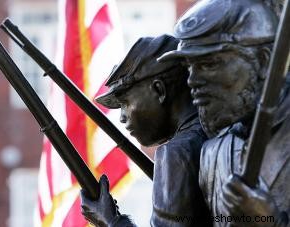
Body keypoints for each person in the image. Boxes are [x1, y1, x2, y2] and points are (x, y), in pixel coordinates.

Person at [159, 0, 289, 226]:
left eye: (208, 64)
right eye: (190, 66)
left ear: (263, 61)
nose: (192, 80)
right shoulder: (213, 154)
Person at [80, 35, 211, 226]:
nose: (122, 117)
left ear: (159, 90)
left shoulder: (177, 153)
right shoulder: (216, 132)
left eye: (125, 102)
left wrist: (110, 221)